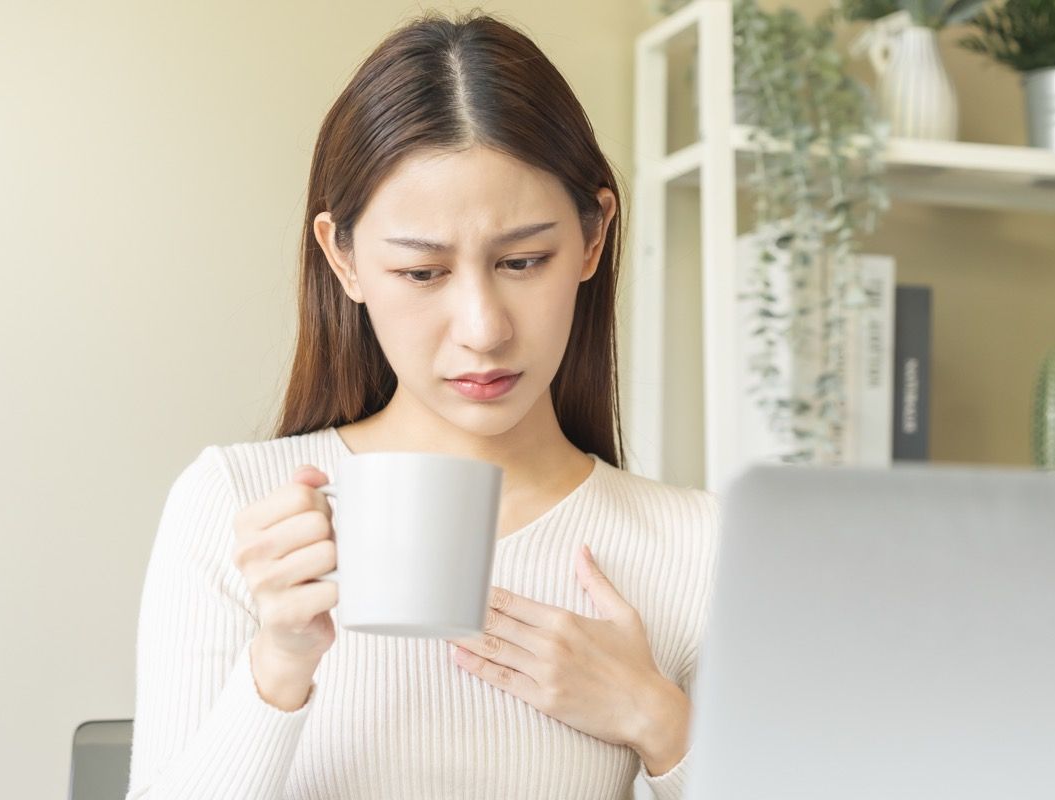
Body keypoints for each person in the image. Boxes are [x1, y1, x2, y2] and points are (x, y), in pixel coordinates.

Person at [126, 10, 719, 800]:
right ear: (344, 258)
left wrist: (661, 723)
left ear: (593, 238)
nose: (483, 330)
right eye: (422, 273)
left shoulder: (695, 546)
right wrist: (278, 666)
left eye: (523, 260)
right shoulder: (235, 507)